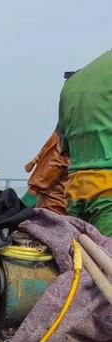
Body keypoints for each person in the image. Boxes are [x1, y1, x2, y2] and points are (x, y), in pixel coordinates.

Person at [57, 50, 112, 236]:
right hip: (109, 197)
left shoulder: (73, 83)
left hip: (76, 195)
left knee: (77, 262)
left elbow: (64, 149)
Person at [23, 130, 70, 215]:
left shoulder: (62, 139)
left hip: (53, 210)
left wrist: (17, 212)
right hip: (74, 209)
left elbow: (37, 186)